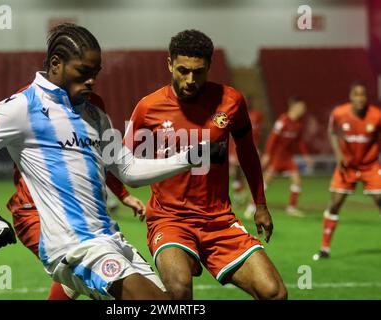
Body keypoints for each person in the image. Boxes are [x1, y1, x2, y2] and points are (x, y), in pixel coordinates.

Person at [0, 23, 217, 300]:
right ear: (56, 64)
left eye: (95, 73)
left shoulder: (95, 113)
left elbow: (128, 169)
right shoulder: (22, 106)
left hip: (111, 240)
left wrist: (190, 156)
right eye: (83, 72)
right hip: (73, 247)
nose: (91, 81)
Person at [125, 29, 287, 300]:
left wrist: (260, 204)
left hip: (219, 221)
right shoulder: (148, 107)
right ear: (169, 64)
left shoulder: (231, 101)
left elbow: (248, 153)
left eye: (198, 72)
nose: (190, 79)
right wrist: (123, 196)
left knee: (274, 293)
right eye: (182, 70)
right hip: (170, 220)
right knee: (178, 290)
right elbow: (123, 161)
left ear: (209, 67)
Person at [0, 106, 146, 300]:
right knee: (108, 284)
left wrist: (124, 195)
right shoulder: (29, 100)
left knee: (80, 271)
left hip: (79, 213)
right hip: (35, 211)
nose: (89, 79)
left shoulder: (92, 107)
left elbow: (100, 159)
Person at [313, 81, 381, 260]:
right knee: (335, 204)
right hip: (347, 167)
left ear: (367, 98)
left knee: (380, 200)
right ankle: (324, 248)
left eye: (363, 95)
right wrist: (338, 154)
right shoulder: (339, 113)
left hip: (370, 165)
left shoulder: (376, 115)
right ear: (351, 97)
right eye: (356, 95)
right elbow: (332, 132)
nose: (360, 98)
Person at [245, 96, 313, 219]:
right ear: (294, 107)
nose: (303, 110)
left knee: (297, 181)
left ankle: (291, 208)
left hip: (288, 159)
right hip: (276, 158)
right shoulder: (283, 121)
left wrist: (306, 156)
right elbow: (272, 138)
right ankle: (250, 208)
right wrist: (268, 154)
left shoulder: (298, 124)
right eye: (301, 107)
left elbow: (299, 142)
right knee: (264, 185)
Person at [229, 95, 264, 206]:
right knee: (237, 173)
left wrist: (258, 148)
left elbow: (258, 133)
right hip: (236, 148)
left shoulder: (257, 115)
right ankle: (237, 197)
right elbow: (230, 134)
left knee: (253, 174)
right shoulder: (234, 113)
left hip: (252, 147)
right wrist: (230, 152)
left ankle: (254, 199)